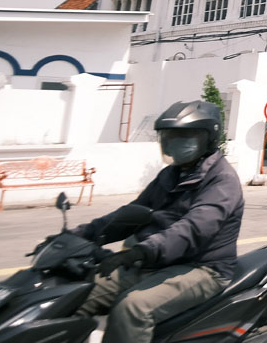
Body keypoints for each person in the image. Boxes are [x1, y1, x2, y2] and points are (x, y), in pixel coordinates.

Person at [72, 100, 244, 343]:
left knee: (133, 307)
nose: (174, 142)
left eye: (185, 136)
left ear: (209, 138)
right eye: (170, 136)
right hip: (158, 260)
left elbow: (193, 229)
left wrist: (140, 252)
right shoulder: (171, 174)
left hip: (202, 267)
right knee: (77, 293)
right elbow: (133, 213)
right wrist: (81, 234)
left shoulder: (222, 180)